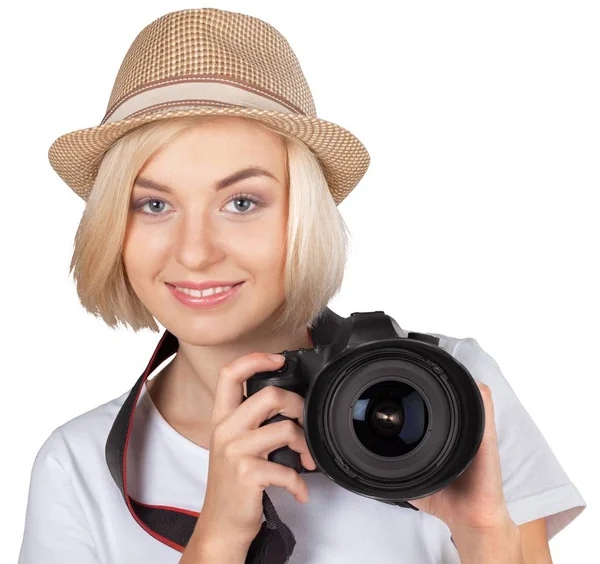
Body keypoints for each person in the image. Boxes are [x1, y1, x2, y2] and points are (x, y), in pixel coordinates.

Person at [18, 7, 586, 564]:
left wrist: (485, 536)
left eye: (241, 202)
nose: (193, 250)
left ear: (303, 217)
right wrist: (215, 541)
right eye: (154, 203)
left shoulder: (449, 386)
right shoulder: (78, 467)